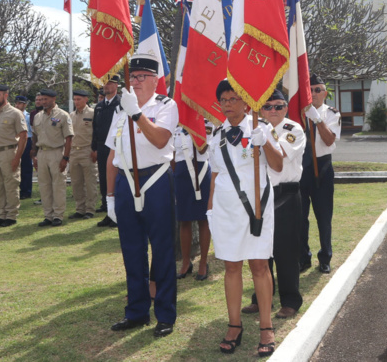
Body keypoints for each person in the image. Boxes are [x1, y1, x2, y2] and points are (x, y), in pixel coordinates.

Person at [208, 80, 284, 357]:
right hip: (226, 208)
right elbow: (215, 175)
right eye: (224, 100)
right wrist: (210, 210)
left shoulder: (261, 128)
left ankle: (266, 327)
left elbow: (277, 166)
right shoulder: (216, 135)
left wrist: (264, 145)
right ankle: (234, 324)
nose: (228, 104)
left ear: (246, 102)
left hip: (257, 208)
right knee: (231, 266)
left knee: (260, 266)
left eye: (233, 98)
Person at [105, 54, 178, 338]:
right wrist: (110, 195)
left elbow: (160, 139)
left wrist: (137, 113)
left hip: (156, 180)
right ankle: (136, 311)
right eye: (131, 77)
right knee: (132, 251)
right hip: (125, 181)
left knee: (162, 251)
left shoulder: (165, 105)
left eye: (140, 77)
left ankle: (165, 314)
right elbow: (112, 153)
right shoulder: (121, 109)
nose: (134, 82)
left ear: (154, 80)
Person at [242, 90, 306, 319]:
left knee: (286, 251)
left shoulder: (293, 130)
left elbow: (278, 162)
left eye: (278, 106)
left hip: (285, 194)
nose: (273, 111)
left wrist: (264, 138)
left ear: (286, 107)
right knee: (260, 250)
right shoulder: (253, 128)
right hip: (260, 194)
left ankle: (290, 301)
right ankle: (261, 298)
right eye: (267, 107)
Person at [300, 74, 341, 274]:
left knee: (324, 217)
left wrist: (316, 119)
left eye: (318, 90)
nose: (314, 93)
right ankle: (303, 257)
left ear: (325, 93)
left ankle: (325, 257)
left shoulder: (331, 113)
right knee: (300, 218)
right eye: (311, 89)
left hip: (322, 168)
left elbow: (328, 141)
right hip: (300, 168)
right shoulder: (296, 113)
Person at [173, 121, 212, 281]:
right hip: (181, 173)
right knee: (184, 220)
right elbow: (173, 154)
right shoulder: (177, 126)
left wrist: (195, 126)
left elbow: (202, 148)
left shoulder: (208, 124)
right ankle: (186, 262)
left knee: (203, 219)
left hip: (201, 170)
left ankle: (203, 262)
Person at [0, 85, 28, 228]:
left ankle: (11, 216)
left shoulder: (15, 113)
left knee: (10, 185)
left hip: (9, 152)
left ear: (5, 95)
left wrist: (17, 158)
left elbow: (23, 136)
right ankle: (1, 214)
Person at [31, 88, 73, 227]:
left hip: (57, 152)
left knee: (58, 185)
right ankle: (48, 215)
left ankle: (58, 216)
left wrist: (65, 158)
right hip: (41, 153)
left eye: (45, 99)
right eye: (41, 99)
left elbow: (68, 138)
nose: (43, 102)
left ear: (53, 99)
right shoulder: (38, 116)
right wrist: (34, 154)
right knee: (44, 186)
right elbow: (35, 135)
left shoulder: (63, 115)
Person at [94, 75, 122, 227]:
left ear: (116, 85)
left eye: (110, 83)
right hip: (102, 148)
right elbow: (95, 128)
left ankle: (117, 213)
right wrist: (94, 148)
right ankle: (108, 211)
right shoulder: (99, 106)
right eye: (105, 82)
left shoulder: (120, 104)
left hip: (116, 148)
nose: (106, 86)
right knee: (104, 180)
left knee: (115, 179)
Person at [69, 89, 99, 220]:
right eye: (75, 99)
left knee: (90, 182)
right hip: (74, 151)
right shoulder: (71, 115)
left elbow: (98, 132)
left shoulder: (93, 113)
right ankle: (80, 209)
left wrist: (95, 150)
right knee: (76, 183)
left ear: (86, 100)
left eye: (79, 99)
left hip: (88, 150)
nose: (76, 102)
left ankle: (90, 209)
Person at [15, 95, 34, 200]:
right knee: (17, 166)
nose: (17, 105)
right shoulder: (13, 115)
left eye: (20, 103)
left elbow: (32, 131)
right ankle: (19, 189)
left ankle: (26, 191)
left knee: (26, 167)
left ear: (25, 104)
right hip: (16, 142)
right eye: (17, 103)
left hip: (27, 141)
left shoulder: (28, 116)